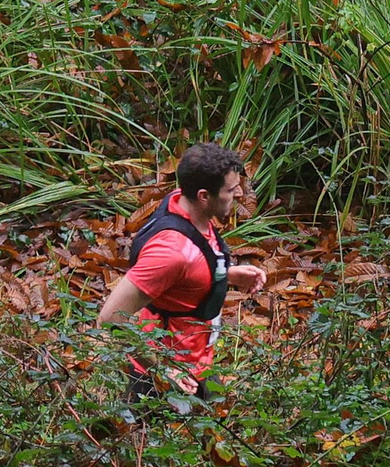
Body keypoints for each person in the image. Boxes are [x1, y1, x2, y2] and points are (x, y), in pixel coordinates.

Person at [96, 143, 266, 401]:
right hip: (166, 380)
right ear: (204, 196)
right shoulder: (170, 253)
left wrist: (225, 274)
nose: (240, 194)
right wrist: (164, 370)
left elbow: (188, 270)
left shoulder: (184, 204)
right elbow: (110, 319)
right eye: (230, 190)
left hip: (198, 363)